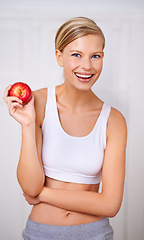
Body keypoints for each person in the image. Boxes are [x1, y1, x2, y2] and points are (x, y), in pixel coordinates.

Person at [3, 17, 127, 240]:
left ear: (102, 58)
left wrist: (43, 194)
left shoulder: (114, 120)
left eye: (95, 56)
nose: (87, 65)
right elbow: (30, 186)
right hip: (41, 233)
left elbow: (110, 205)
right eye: (76, 55)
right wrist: (28, 125)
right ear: (59, 57)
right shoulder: (37, 103)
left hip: (95, 234)